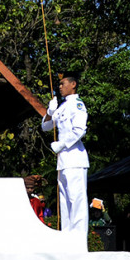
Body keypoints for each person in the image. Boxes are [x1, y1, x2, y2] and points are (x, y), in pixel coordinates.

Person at [40, 73, 89, 238]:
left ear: (73, 84)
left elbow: (80, 130)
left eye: (62, 84)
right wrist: (49, 111)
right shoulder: (62, 106)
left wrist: (62, 144)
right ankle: (68, 235)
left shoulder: (77, 105)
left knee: (77, 199)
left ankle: (79, 236)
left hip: (75, 158)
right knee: (65, 200)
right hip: (63, 160)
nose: (59, 87)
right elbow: (46, 126)